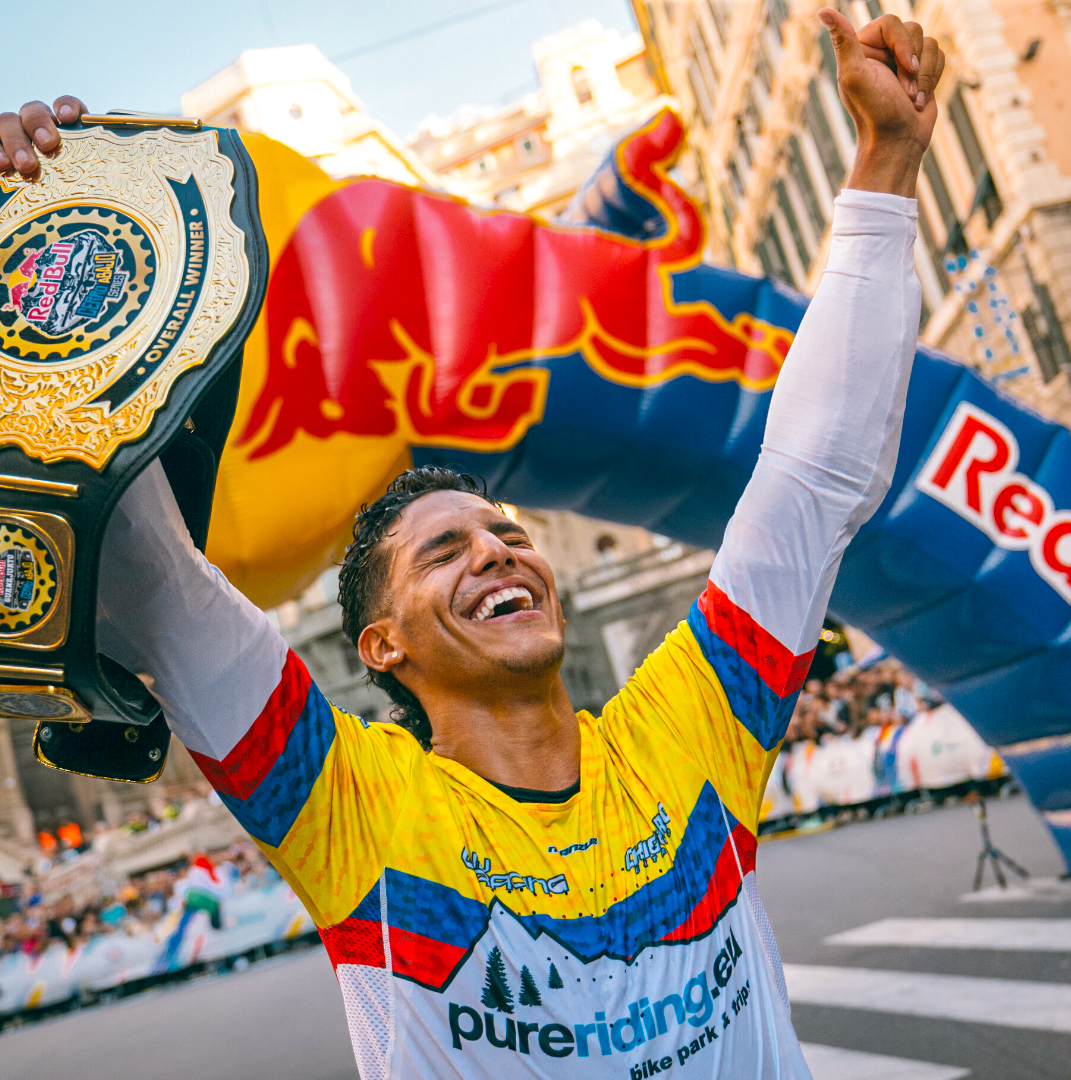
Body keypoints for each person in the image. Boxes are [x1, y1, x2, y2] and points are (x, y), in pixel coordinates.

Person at [4, 9, 943, 1077]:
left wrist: (886, 165)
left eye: (505, 533)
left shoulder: (687, 735)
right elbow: (152, 578)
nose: (499, 551)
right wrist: (41, 246)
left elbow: (815, 475)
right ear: (381, 646)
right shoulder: (349, 809)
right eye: (443, 553)